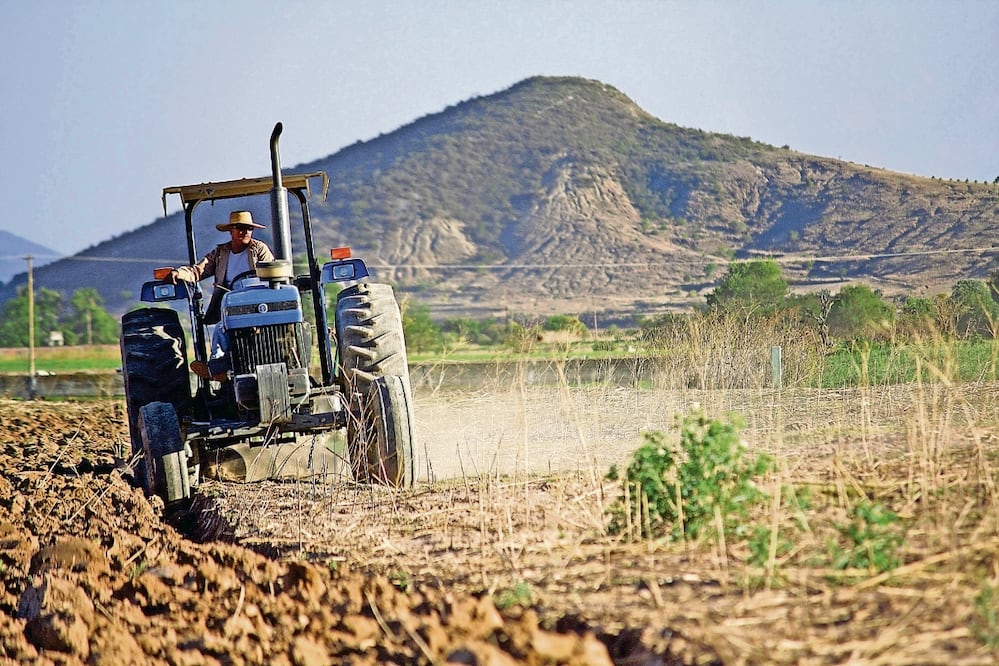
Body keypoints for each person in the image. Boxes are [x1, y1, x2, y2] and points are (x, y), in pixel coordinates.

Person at [168, 210, 275, 381]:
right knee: (221, 328)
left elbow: (272, 272)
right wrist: (180, 273)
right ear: (231, 231)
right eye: (240, 228)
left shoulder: (259, 249)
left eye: (248, 228)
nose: (245, 232)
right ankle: (216, 368)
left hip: (258, 302)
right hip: (232, 303)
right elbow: (198, 270)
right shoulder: (221, 253)